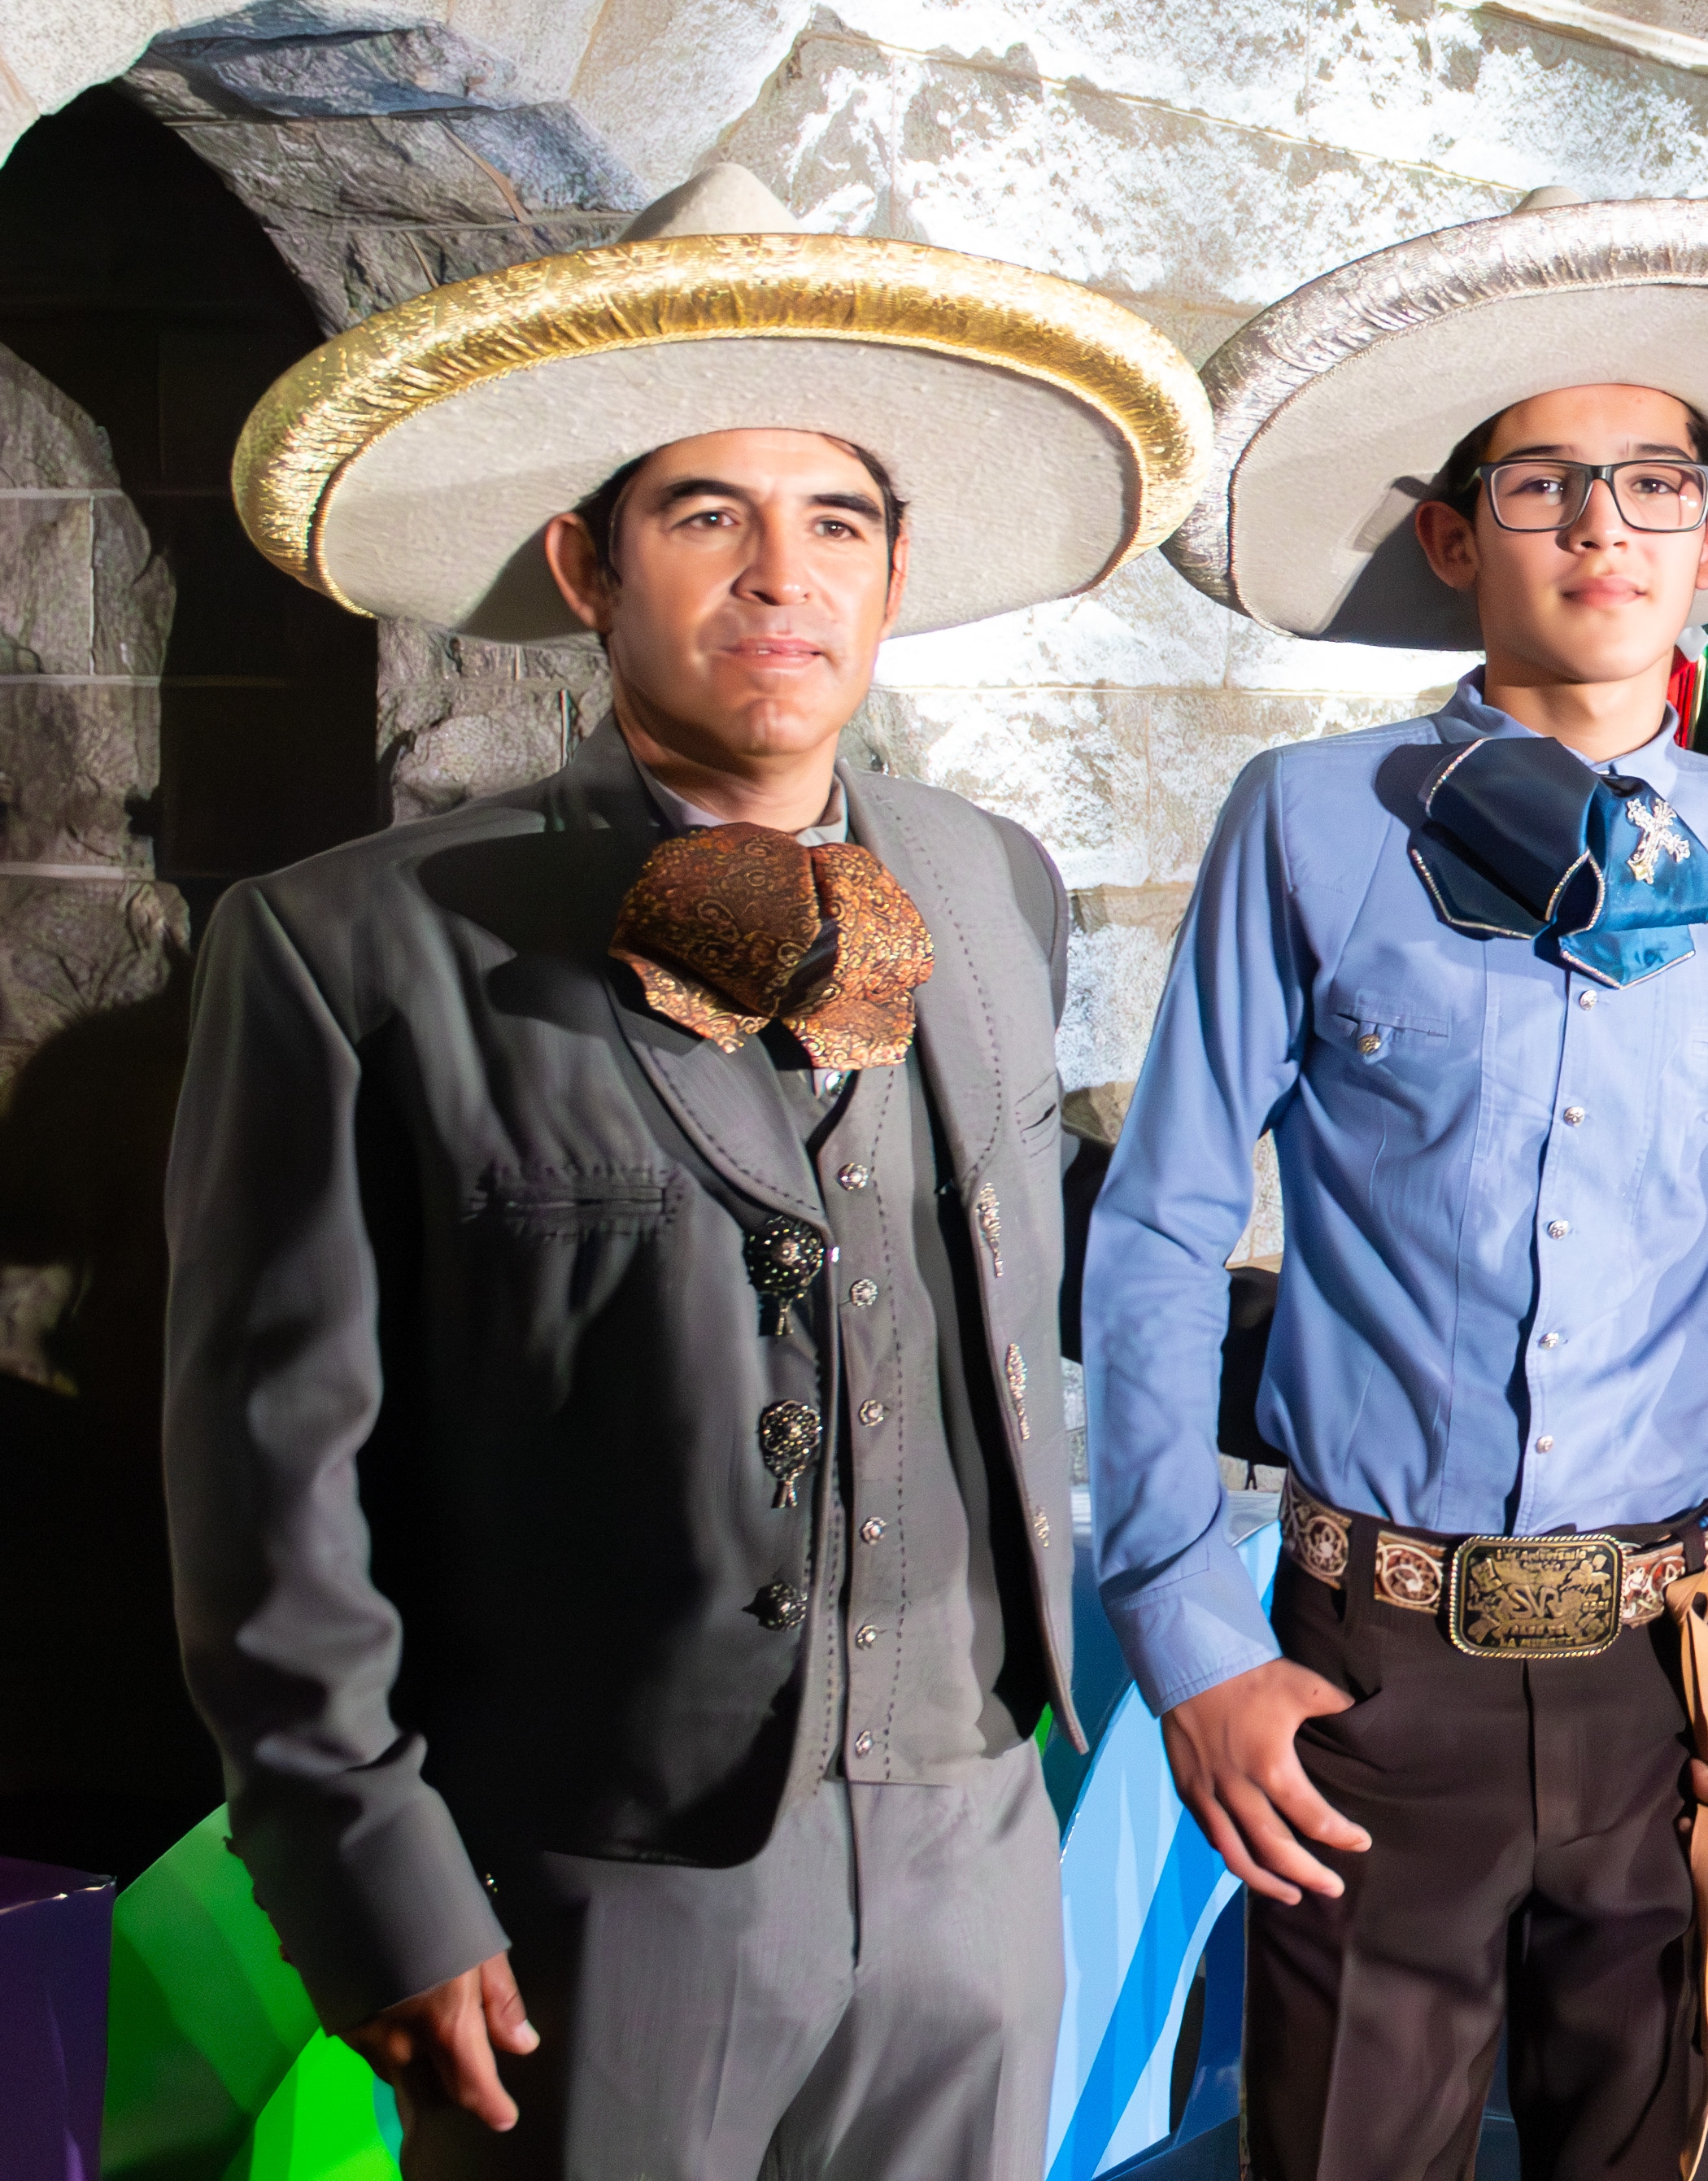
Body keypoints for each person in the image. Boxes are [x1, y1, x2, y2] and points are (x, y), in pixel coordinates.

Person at [160, 167, 1213, 2173]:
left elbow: (1011, 1254)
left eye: (835, 523)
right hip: (596, 1873)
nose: (778, 577)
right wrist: (366, 1864)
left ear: (894, 581)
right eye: (707, 516)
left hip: (979, 1833)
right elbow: (266, 1471)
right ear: (587, 566)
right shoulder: (348, 949)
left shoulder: (991, 883)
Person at [1084, 196, 1708, 2179]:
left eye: (1653, 482)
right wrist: (1185, 1633)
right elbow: (1155, 1226)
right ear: (1452, 534)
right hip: (1366, 1666)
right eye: (1545, 485)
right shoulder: (1310, 823)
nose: (1602, 527)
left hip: (1685, 1658)